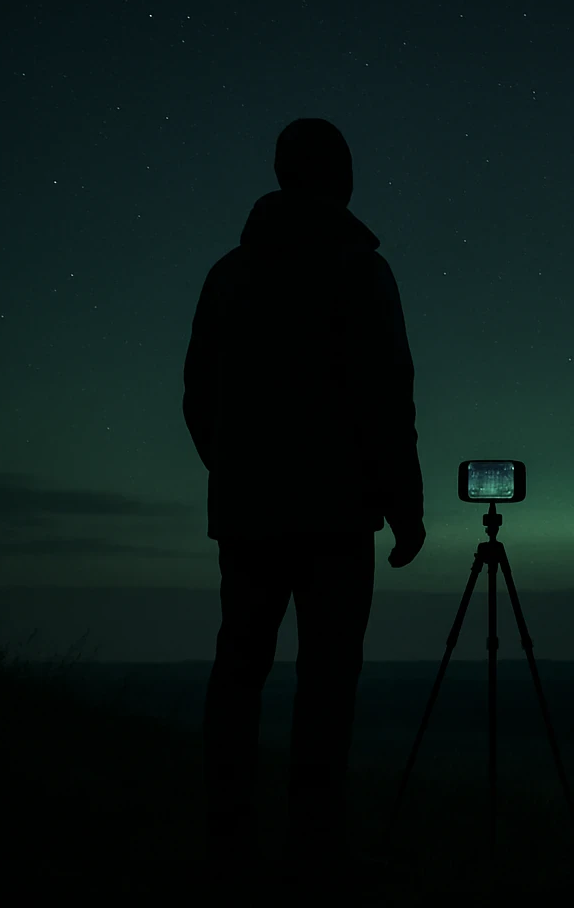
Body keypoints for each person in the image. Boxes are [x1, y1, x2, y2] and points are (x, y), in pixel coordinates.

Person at [182, 117, 426, 873]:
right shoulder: (360, 271)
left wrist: (231, 469)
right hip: (335, 517)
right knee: (327, 680)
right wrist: (402, 505)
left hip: (249, 514)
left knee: (239, 670)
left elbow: (198, 395)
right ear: (339, 178)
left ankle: (225, 830)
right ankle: (314, 842)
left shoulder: (229, 274)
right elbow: (387, 396)